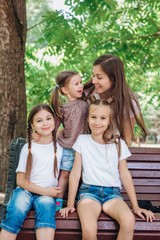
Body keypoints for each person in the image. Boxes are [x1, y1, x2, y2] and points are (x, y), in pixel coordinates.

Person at [60, 100, 155, 240]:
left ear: (109, 121)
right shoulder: (82, 141)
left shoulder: (118, 144)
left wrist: (136, 207)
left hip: (113, 195)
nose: (97, 122)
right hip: (88, 194)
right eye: (93, 117)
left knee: (129, 221)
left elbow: (125, 175)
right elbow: (75, 173)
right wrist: (70, 204)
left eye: (103, 118)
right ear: (87, 119)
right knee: (89, 229)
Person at [0, 104, 63, 240]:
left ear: (54, 121)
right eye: (39, 121)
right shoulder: (29, 148)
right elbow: (20, 181)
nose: (45, 123)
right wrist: (46, 191)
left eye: (48, 118)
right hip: (26, 190)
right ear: (33, 125)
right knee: (17, 208)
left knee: (47, 208)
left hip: (47, 195)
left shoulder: (61, 147)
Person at [84, 54, 148, 146]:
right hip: (87, 148)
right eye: (93, 75)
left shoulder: (127, 101)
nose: (94, 81)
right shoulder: (88, 95)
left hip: (113, 149)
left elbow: (126, 140)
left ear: (114, 79)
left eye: (99, 77)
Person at [51, 70, 88, 211]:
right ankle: (59, 203)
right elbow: (53, 128)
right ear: (65, 90)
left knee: (85, 175)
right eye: (76, 83)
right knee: (65, 174)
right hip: (69, 147)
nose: (81, 86)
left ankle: (85, 201)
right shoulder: (61, 109)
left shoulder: (85, 105)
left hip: (85, 149)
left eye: (81, 82)